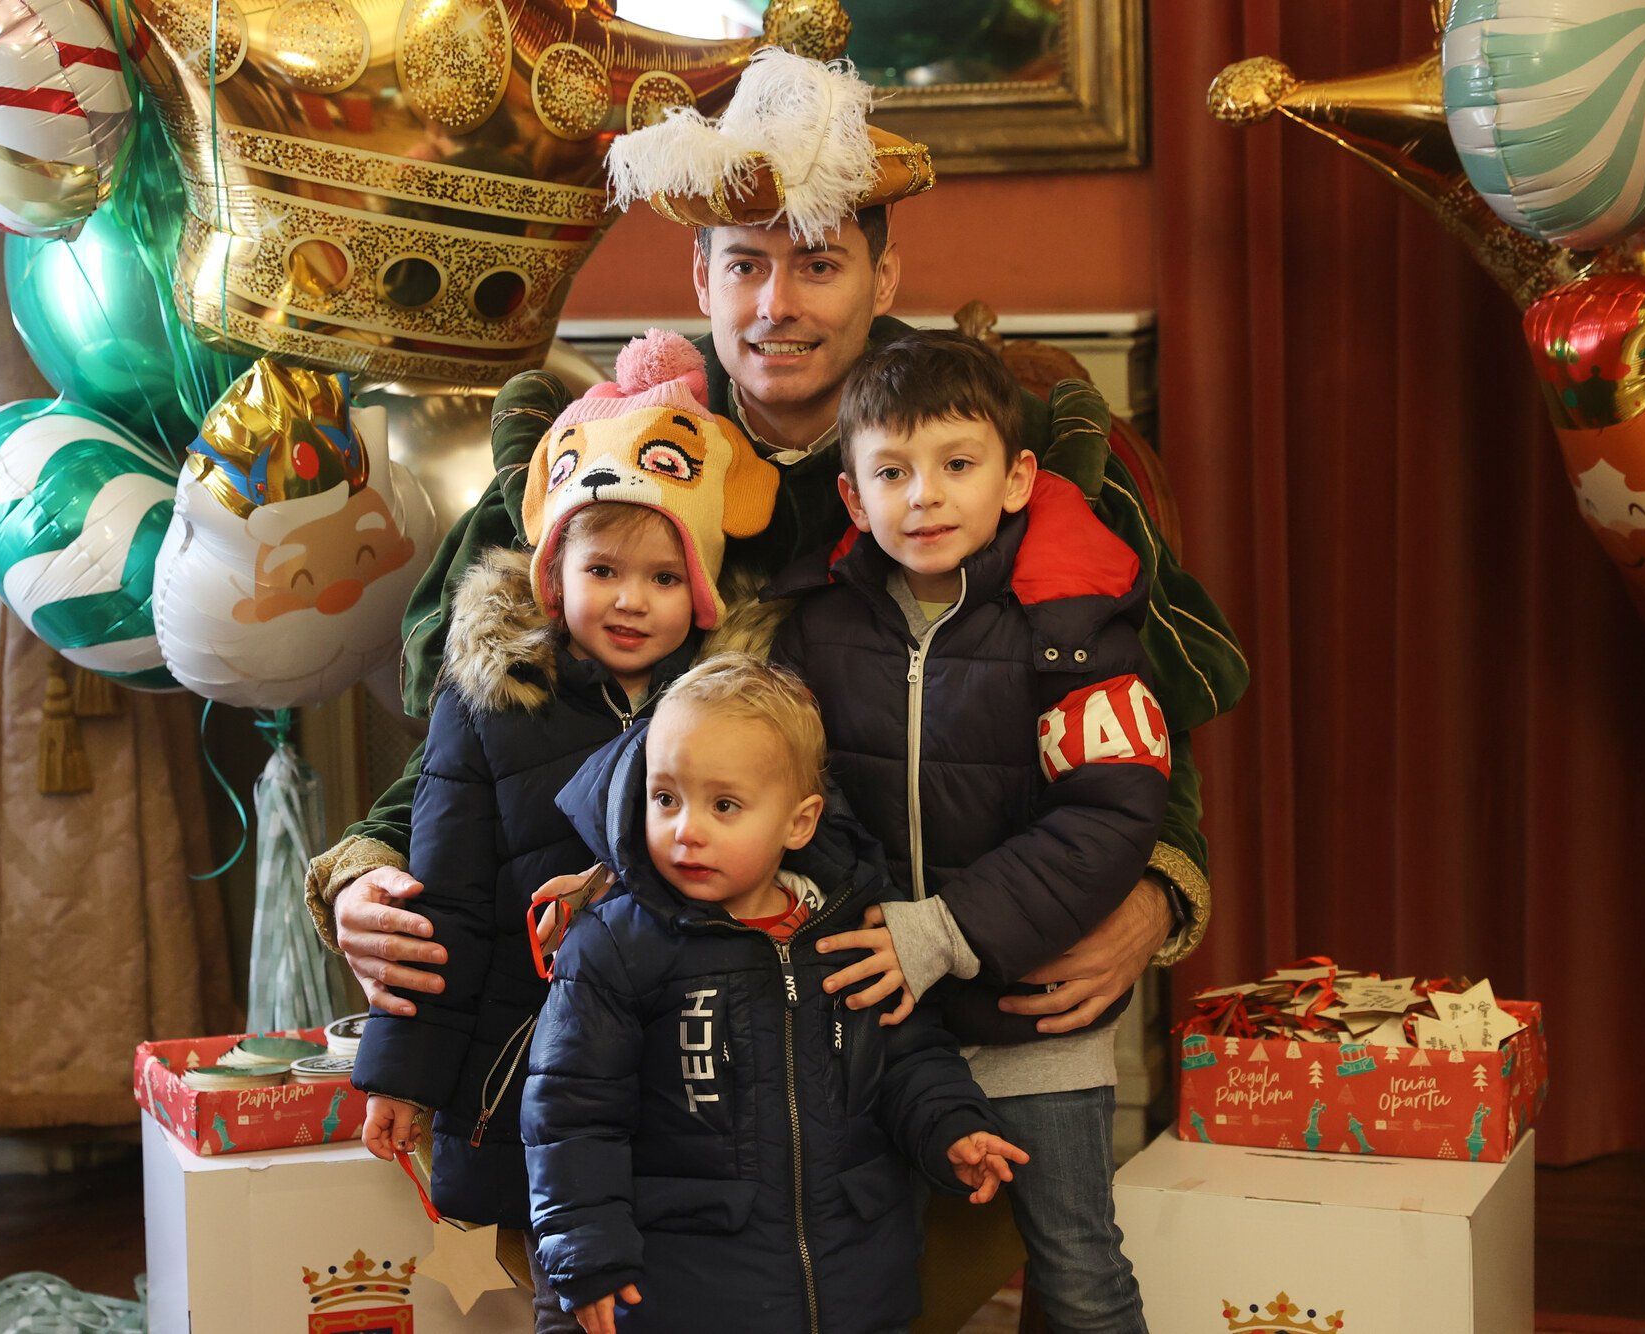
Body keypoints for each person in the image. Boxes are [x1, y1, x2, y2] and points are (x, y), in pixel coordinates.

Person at [306, 49, 1241, 1040]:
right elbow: (492, 703)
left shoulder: (988, 445)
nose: (775, 305)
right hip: (670, 1004)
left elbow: (1134, 705)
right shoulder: (613, 449)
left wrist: (1154, 892)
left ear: (883, 276)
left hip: (943, 982)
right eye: (746, 263)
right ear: (702, 272)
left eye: (818, 263)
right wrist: (368, 864)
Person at [348, 331, 782, 1332]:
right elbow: (444, 899)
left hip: (696, 1080)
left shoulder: (736, 705)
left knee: (696, 1292)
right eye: (603, 569)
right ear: (554, 573)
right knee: (573, 1294)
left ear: (704, 594)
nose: (630, 599)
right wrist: (404, 1073)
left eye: (665, 579)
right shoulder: (490, 703)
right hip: (539, 1077)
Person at [772, 328, 1168, 1330]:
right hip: (880, 1015)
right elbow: (796, 793)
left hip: (1029, 1010)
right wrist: (862, 926)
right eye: (892, 472)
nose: (926, 496)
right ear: (854, 499)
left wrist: (941, 931)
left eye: (957, 465)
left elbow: (1107, 811)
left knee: (1074, 1262)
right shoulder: (815, 626)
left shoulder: (1071, 625)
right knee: (878, 1269)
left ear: (1015, 477)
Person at [522, 656, 1029, 1334]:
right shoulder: (615, 947)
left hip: (856, 1283)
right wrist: (587, 1256)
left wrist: (954, 1129)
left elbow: (909, 1057)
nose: (686, 829)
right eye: (666, 798)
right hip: (690, 1294)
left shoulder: (852, 930)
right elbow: (572, 1118)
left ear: (800, 822)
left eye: (723, 805)